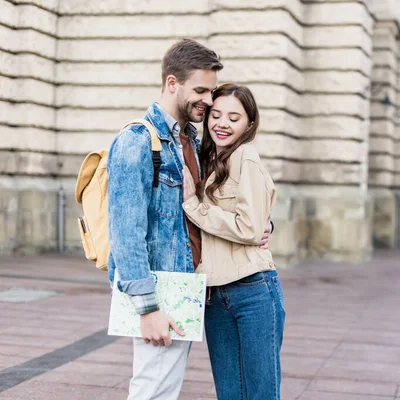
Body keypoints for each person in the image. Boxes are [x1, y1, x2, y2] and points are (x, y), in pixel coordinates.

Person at [107, 40, 273, 400]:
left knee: (165, 390)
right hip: (161, 291)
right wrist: (147, 307)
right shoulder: (137, 140)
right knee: (153, 390)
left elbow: (214, 204)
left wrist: (263, 225)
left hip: (191, 288)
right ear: (172, 83)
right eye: (200, 90)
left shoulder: (189, 139)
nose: (209, 101)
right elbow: (125, 232)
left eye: (211, 91)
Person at [181, 83, 285, 400]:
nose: (222, 123)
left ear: (249, 124)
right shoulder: (209, 160)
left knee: (260, 394)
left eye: (234, 117)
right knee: (229, 394)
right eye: (216, 115)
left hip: (252, 290)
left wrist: (193, 204)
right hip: (214, 295)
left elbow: (250, 229)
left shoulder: (245, 157)